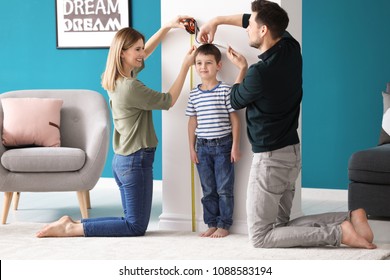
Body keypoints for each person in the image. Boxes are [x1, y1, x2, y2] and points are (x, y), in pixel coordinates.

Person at [197, 0, 376, 249]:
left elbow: (234, 100)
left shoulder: (259, 73)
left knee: (260, 236)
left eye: (252, 25)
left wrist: (242, 68)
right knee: (279, 227)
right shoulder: (292, 47)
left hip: (270, 162)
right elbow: (251, 19)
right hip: (291, 154)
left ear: (264, 30)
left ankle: (338, 234)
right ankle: (349, 218)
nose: (247, 28)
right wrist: (216, 20)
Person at [36, 16, 196, 238]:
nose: (142, 53)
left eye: (142, 48)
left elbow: (145, 53)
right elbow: (168, 101)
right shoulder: (132, 87)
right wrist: (185, 67)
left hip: (124, 161)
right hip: (135, 162)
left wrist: (167, 27)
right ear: (123, 52)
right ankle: (73, 228)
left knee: (131, 221)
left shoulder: (114, 78)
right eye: (137, 49)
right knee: (135, 227)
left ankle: (73, 223)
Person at [186, 44, 243, 238]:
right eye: (199, 63)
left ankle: (224, 224)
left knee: (224, 188)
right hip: (202, 147)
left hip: (223, 146)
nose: (203, 67)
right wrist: (191, 149)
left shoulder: (225, 90)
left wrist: (235, 146)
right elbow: (192, 122)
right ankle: (211, 222)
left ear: (218, 66)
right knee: (208, 189)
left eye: (208, 63)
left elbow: (235, 120)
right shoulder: (193, 94)